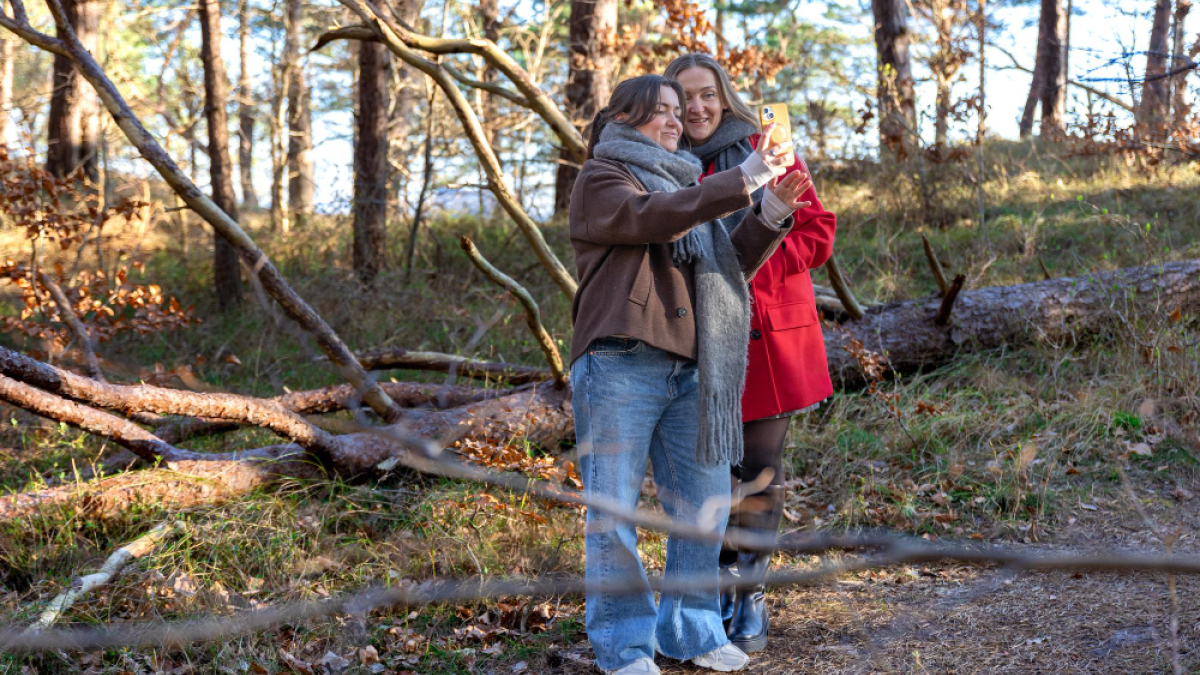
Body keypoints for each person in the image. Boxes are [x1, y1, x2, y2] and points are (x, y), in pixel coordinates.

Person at [568, 73, 813, 675]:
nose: (677, 121)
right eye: (661, 110)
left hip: (691, 368)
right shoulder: (603, 178)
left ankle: (693, 631)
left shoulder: (690, 185)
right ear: (623, 119)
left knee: (703, 509)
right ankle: (624, 647)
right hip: (619, 361)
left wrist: (772, 210)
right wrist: (745, 178)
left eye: (679, 111)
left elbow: (726, 267)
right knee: (616, 512)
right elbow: (652, 219)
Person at [664, 53, 838, 655]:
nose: (698, 108)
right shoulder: (665, 161)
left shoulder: (770, 143)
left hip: (770, 335)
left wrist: (753, 266)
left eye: (707, 94)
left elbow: (818, 232)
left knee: (760, 469)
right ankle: (711, 585)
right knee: (710, 468)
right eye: (685, 98)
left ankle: (751, 592)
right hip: (702, 339)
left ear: (725, 94)